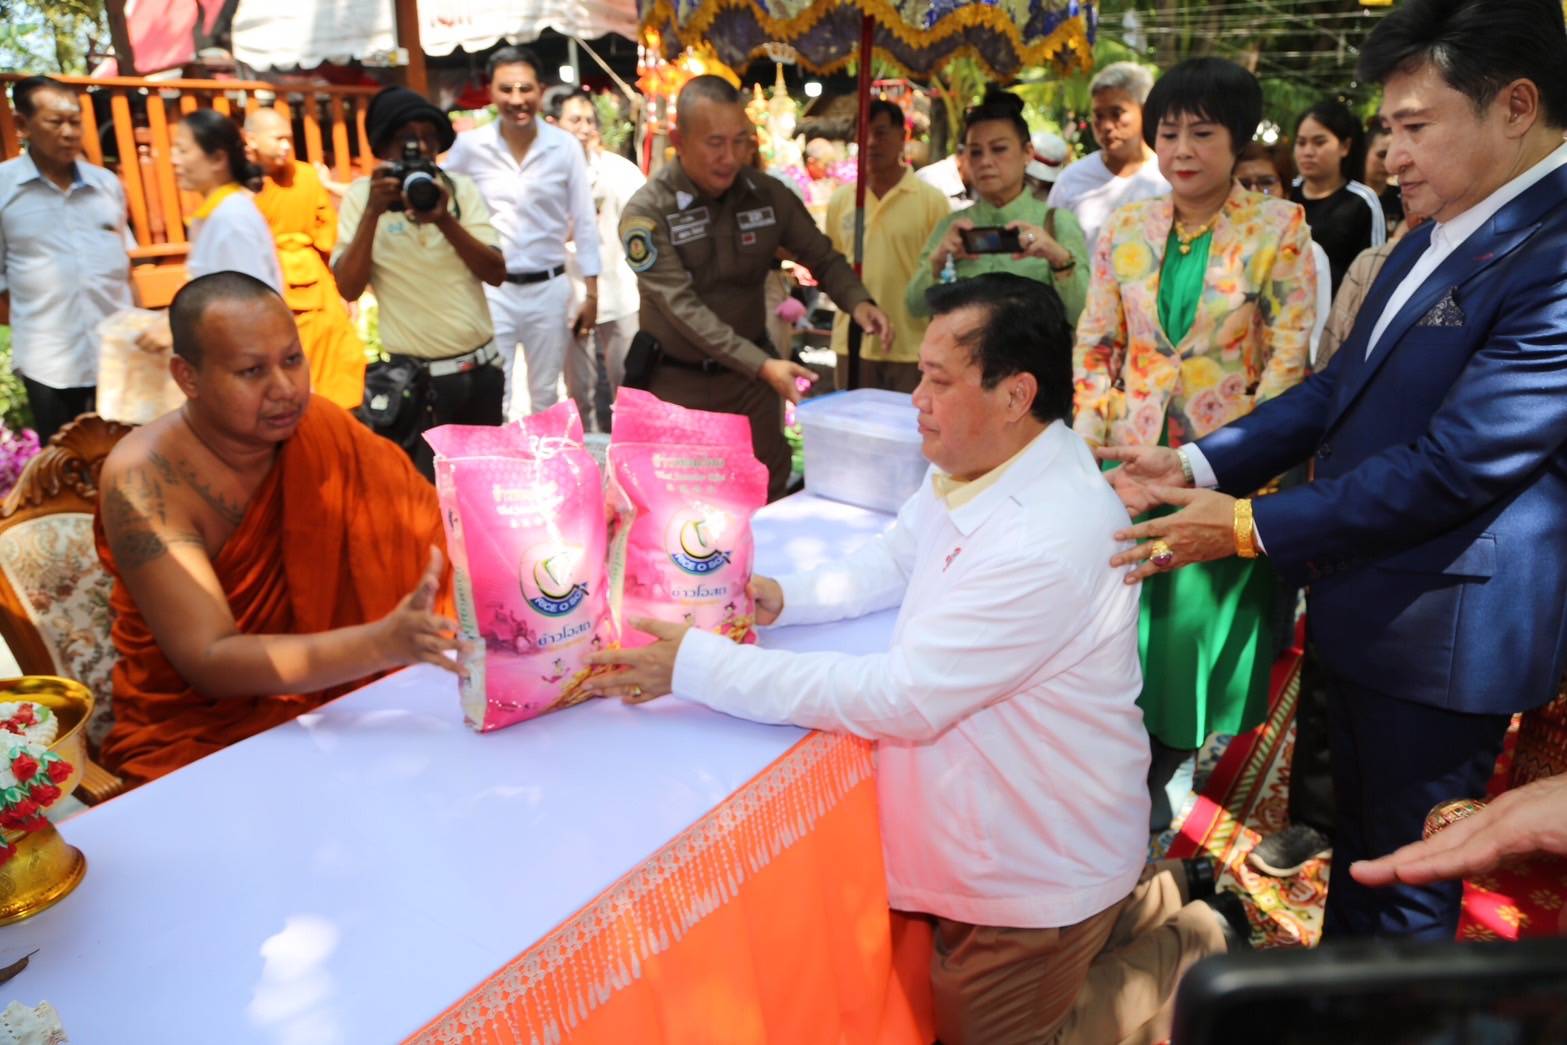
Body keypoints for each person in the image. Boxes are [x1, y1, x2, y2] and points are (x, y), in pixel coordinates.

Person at [584, 273, 1246, 1045]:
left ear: (1013, 394)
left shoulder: (1046, 535)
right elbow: (895, 558)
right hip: (1033, 815)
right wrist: (781, 596)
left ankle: (1192, 950)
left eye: (936, 379)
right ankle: (1159, 904)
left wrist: (695, 667)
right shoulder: (987, 459)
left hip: (1036, 860)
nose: (915, 399)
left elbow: (903, 696)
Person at [1096, 0, 1567, 940]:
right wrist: (1192, 456)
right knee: (1359, 851)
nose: (1389, 155)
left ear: (1515, 106)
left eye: (1412, 127)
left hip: (1444, 634)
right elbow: (1335, 391)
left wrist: (1241, 526)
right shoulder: (1440, 225)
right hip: (1363, 596)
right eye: (1386, 129)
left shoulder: (1550, 249)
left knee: (1405, 882)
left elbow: (1456, 465)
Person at [93, 272, 459, 785]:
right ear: (187, 377)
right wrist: (383, 644)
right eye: (251, 371)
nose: (285, 389)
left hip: (345, 699)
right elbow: (208, 659)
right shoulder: (147, 479)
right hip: (204, 732)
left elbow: (434, 533)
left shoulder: (323, 429)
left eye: (292, 360)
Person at [1073, 58, 1316, 830]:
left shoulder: (1277, 229)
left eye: (1202, 132)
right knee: (1118, 617)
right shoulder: (1125, 227)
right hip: (1127, 460)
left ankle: (1167, 770)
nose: (1181, 149)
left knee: (1192, 630)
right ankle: (1111, 754)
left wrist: (1244, 472)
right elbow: (1095, 344)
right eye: (1169, 131)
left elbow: (1286, 366)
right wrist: (1096, 452)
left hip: (1221, 466)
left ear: (1235, 140)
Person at [618, 75, 893, 501]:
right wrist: (765, 366)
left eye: (740, 141)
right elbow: (682, 309)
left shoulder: (766, 196)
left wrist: (857, 302)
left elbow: (820, 255)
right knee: (681, 507)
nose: (730, 157)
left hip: (749, 387)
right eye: (715, 143)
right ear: (680, 139)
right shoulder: (648, 212)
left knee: (767, 489)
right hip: (677, 385)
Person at [332, 85, 507, 479]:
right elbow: (347, 288)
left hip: (479, 376)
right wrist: (374, 213)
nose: (419, 148)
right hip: (415, 386)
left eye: (427, 138)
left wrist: (444, 219)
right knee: (422, 502)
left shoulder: (458, 191)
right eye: (405, 139)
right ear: (384, 146)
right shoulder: (363, 198)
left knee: (483, 490)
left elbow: (496, 273)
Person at [445, 47, 600, 422]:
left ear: (541, 89)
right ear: (492, 91)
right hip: (490, 291)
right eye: (507, 89)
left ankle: (543, 476)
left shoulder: (563, 146)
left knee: (546, 393)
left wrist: (593, 293)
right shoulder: (470, 147)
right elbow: (445, 204)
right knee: (497, 391)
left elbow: (584, 219)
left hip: (549, 288)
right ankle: (500, 476)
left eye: (525, 89)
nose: (517, 99)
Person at [0, 76, 133, 444]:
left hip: (116, 359)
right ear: (23, 125)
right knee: (65, 472)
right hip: (50, 363)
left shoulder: (106, 185)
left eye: (75, 121)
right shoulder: (3, 191)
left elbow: (126, 265)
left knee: (126, 459)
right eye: (55, 122)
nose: (69, 132)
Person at [907, 87, 1090, 325]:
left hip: (1034, 361)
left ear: (1027, 153)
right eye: (975, 152)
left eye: (999, 149)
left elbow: (1085, 315)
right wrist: (938, 259)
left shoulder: (1056, 222)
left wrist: (1058, 259)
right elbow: (914, 306)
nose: (985, 161)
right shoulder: (952, 227)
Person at [244, 108, 366, 411]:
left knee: (338, 356)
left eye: (289, 138)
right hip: (266, 283)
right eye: (278, 139)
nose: (286, 146)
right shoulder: (240, 187)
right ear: (251, 141)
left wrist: (342, 289)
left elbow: (328, 234)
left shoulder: (307, 176)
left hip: (315, 281)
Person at [825, 99, 949, 393]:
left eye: (880, 133)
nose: (870, 143)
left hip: (912, 346)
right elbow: (831, 269)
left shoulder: (931, 201)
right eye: (863, 134)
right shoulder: (842, 200)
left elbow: (943, 277)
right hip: (852, 343)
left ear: (902, 137)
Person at [556, 91, 646, 433]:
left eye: (589, 120)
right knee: (577, 390)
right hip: (569, 294)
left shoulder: (619, 171)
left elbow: (644, 229)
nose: (583, 128)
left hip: (619, 290)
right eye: (574, 120)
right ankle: (587, 451)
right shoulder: (545, 175)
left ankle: (630, 449)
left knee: (629, 384)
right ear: (555, 125)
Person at [1048, 62, 1171, 249]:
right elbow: (1051, 245)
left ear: (1144, 111)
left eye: (1117, 113)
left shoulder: (1170, 177)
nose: (1106, 126)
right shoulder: (1071, 180)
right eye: (1098, 115)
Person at [1235, 141, 1333, 358]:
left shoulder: (1310, 254)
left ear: (1286, 192)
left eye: (1266, 183)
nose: (1254, 193)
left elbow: (1314, 340)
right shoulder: (1217, 251)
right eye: (1243, 184)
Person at [172, 110, 284, 291]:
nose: (174, 160)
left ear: (218, 158)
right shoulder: (222, 213)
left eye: (183, 150)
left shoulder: (231, 219)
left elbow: (250, 303)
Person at [1290, 99, 1386, 294]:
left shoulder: (1362, 202)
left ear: (1345, 147)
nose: (1307, 152)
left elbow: (1372, 273)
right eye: (1301, 143)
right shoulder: (1286, 194)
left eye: (1319, 142)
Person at [1362, 119, 1406, 232]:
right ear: (1364, 152)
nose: (1387, 162)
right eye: (1381, 155)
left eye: (1393, 155)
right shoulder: (1348, 197)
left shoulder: (1402, 197)